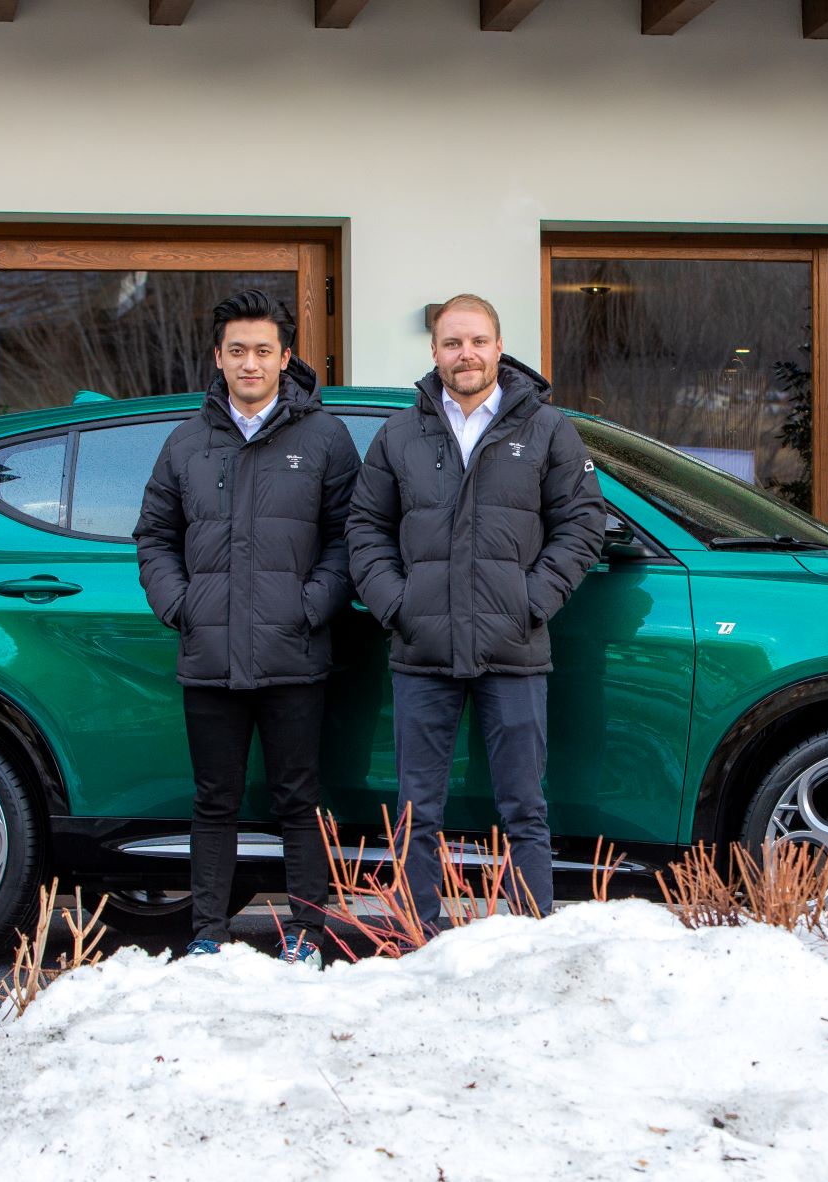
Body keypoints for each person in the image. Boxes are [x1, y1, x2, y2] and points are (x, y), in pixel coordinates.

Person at [346, 293, 605, 932]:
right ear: (434, 352)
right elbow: (363, 527)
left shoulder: (547, 430)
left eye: (478, 341)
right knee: (417, 810)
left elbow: (582, 523)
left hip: (514, 649)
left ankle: (529, 940)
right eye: (452, 343)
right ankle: (416, 934)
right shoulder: (400, 433)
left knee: (524, 807)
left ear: (498, 346)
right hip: (422, 649)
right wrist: (396, 604)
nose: (466, 354)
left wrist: (533, 600)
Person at [134, 288, 359, 967]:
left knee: (299, 798)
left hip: (293, 654)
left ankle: (309, 935)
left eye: (264, 351)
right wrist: (183, 606)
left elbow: (348, 537)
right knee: (214, 800)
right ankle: (205, 934)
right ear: (218, 357)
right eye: (238, 351)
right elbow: (153, 536)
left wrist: (309, 606)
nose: (250, 363)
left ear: (285, 357)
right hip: (208, 654)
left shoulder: (324, 437)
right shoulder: (186, 442)